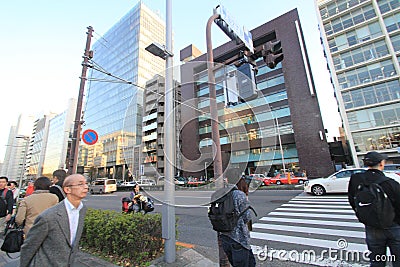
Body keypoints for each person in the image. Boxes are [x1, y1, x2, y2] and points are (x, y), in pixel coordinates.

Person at [20, 174, 88, 267]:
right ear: (67, 189)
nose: (85, 187)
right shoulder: (48, 216)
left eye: (86, 183)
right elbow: (29, 246)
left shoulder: (82, 210)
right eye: (80, 184)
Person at [348, 151, 400, 267]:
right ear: (381, 164)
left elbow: (353, 201)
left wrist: (366, 217)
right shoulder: (390, 183)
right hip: (393, 226)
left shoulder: (356, 180)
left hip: (372, 226)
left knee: (376, 261)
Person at [220, 169, 256, 267]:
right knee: (250, 263)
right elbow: (247, 217)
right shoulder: (239, 195)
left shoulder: (220, 193)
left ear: (226, 179)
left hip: (224, 237)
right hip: (239, 239)